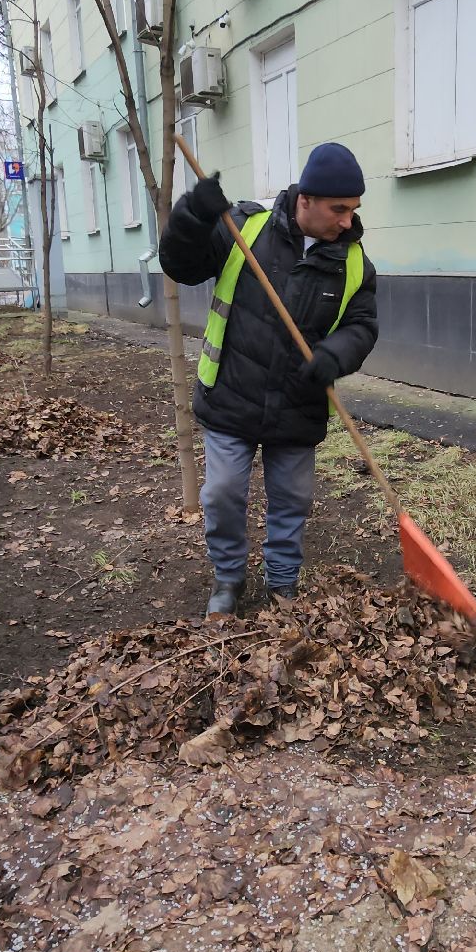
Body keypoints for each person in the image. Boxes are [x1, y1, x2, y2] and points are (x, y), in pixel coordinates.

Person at [159, 142, 379, 616]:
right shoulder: (245, 229)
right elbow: (180, 264)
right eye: (338, 209)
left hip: (298, 406)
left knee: (292, 502)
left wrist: (333, 355)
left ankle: (282, 584)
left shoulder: (354, 263)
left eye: (353, 210)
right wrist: (193, 215)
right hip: (232, 395)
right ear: (306, 200)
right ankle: (228, 579)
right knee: (221, 495)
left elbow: (362, 326)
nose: (348, 221)